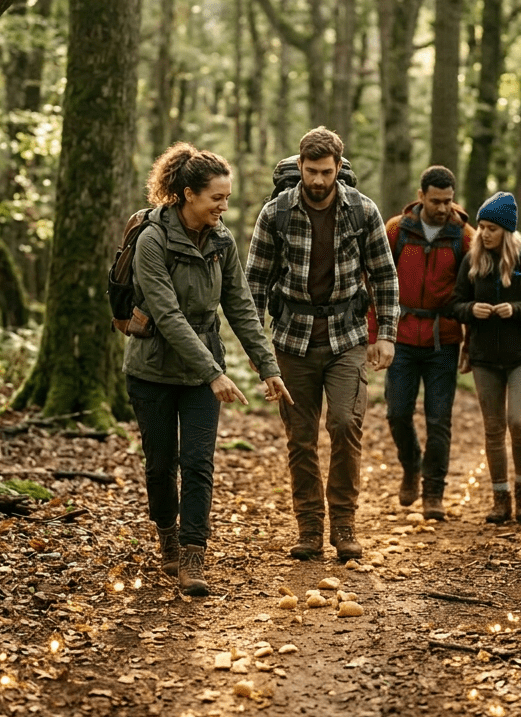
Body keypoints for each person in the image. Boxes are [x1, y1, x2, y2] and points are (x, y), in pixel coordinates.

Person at [125, 143, 292, 596]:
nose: (224, 205)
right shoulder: (151, 240)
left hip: (202, 371)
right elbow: (167, 316)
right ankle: (167, 535)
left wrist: (267, 367)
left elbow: (240, 307)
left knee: (198, 462)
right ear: (185, 195)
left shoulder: (222, 241)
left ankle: (193, 553)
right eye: (216, 198)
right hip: (152, 370)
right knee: (161, 466)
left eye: (227, 197)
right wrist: (214, 372)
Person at [246, 127, 399, 562]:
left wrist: (385, 333)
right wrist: (258, 352)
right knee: (300, 437)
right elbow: (254, 283)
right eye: (310, 171)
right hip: (291, 339)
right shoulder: (275, 213)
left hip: (347, 335)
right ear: (299, 167)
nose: (317, 180)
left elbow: (384, 275)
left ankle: (345, 524)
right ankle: (310, 528)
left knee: (346, 425)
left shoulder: (362, 211)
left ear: (338, 168)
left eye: (326, 172)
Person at [369, 166, 473, 521]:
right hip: (400, 336)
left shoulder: (465, 237)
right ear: (421, 195)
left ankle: (434, 492)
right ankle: (411, 466)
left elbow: (473, 292)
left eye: (448, 201)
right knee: (397, 412)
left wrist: (470, 342)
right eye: (435, 201)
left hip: (443, 340)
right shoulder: (397, 230)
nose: (442, 208)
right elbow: (376, 283)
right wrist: (375, 334)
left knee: (439, 419)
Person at [450, 192, 521, 524]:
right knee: (493, 428)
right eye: (481, 227)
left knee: (519, 422)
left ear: (506, 230)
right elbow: (454, 303)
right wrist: (471, 310)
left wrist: (517, 310)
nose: (484, 233)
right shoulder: (471, 261)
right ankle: (500, 499)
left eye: (491, 228)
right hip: (484, 356)